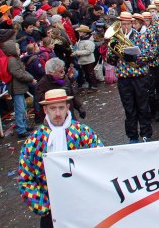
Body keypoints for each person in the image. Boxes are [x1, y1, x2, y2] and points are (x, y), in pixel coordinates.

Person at [18, 89, 102, 228]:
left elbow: (101, 162)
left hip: (83, 206)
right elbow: (25, 178)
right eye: (53, 108)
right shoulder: (33, 141)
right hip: (51, 211)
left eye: (61, 108)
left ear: (67, 108)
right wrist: (44, 207)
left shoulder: (83, 133)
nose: (57, 113)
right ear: (45, 109)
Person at [104, 11, 154, 143]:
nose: (125, 26)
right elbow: (110, 60)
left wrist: (134, 58)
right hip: (124, 78)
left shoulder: (140, 37)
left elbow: (150, 54)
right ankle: (132, 136)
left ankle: (146, 134)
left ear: (132, 23)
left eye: (127, 24)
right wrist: (114, 53)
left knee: (143, 107)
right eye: (122, 24)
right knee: (129, 108)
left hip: (139, 77)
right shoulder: (115, 40)